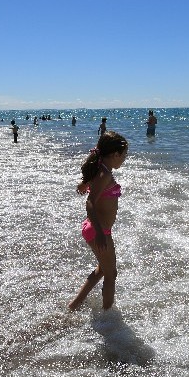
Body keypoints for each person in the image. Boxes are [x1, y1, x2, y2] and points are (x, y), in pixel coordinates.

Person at [68, 131, 130, 311]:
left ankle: (74, 305)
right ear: (115, 154)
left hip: (94, 228)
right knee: (111, 275)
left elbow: (89, 186)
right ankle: (108, 317)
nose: (124, 159)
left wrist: (84, 184)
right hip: (99, 230)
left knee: (103, 269)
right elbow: (90, 203)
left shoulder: (101, 167)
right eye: (124, 155)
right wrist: (101, 234)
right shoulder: (105, 174)